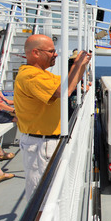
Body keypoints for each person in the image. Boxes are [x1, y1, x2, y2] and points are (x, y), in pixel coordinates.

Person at [14, 34, 91, 200]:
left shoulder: (43, 74)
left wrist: (82, 65)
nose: (55, 54)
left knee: (52, 194)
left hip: (46, 142)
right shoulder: (30, 76)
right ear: (35, 52)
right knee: (42, 198)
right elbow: (63, 92)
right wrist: (77, 64)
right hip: (40, 145)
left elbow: (69, 83)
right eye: (51, 51)